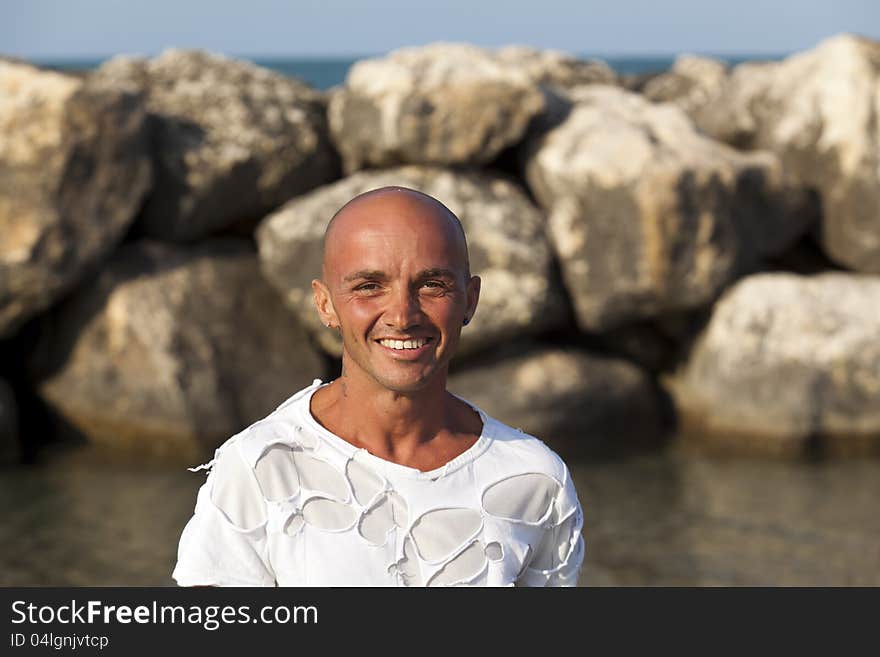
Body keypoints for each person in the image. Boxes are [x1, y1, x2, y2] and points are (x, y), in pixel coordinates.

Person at [172, 186, 584, 586]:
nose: (402, 315)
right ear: (325, 304)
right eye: (369, 287)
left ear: (470, 299)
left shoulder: (534, 480)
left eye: (432, 285)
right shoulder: (264, 468)